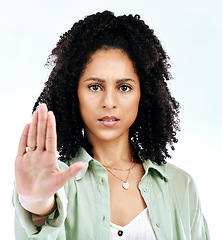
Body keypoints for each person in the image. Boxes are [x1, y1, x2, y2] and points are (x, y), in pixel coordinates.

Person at [13, 10, 209, 239]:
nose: (109, 102)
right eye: (95, 86)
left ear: (143, 95)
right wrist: (37, 204)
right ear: (73, 93)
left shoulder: (180, 186)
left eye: (124, 87)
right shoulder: (52, 181)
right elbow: (40, 206)